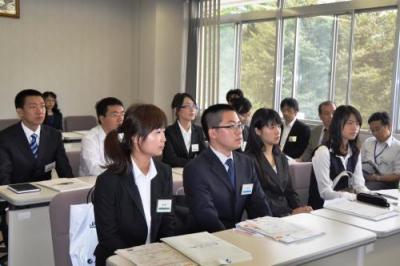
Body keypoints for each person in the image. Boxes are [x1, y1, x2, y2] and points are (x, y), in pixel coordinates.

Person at [93, 104, 175, 266]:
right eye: (157, 132)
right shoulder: (109, 181)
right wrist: (139, 259)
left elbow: (167, 218)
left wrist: (162, 254)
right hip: (120, 260)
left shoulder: (164, 172)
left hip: (156, 258)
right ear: (136, 138)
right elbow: (108, 237)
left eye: (163, 131)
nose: (164, 138)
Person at [183, 104, 271, 233]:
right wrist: (233, 240)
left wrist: (269, 230)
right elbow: (206, 218)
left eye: (239, 125)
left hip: (238, 235)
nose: (239, 131)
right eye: (231, 126)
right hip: (208, 240)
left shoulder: (246, 162)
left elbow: (259, 204)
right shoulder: (196, 169)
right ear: (213, 132)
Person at [246, 108, 312, 217]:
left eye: (278, 126)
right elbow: (257, 199)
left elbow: (290, 191)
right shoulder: (248, 160)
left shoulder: (281, 157)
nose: (277, 131)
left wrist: (299, 209)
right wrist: (290, 213)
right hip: (264, 217)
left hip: (286, 215)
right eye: (271, 127)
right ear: (257, 130)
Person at [0, 89, 73, 185]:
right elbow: (3, 177)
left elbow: (65, 171)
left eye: (42, 106)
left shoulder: (54, 135)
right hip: (16, 194)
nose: (40, 111)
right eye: (33, 107)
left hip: (46, 192)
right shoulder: (5, 138)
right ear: (20, 112)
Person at [308, 105, 369, 209]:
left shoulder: (355, 152)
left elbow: (359, 184)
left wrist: (371, 196)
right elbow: (325, 193)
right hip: (322, 209)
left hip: (346, 205)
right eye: (350, 123)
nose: (355, 128)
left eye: (358, 124)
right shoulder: (323, 152)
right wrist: (352, 196)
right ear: (337, 124)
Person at [79, 97, 124, 176]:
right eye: (115, 115)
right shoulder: (90, 139)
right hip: (95, 184)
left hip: (119, 180)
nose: (120, 119)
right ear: (102, 119)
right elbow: (94, 170)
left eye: (122, 114)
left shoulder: (123, 136)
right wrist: (122, 171)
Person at [162, 93, 206, 167]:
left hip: (194, 172)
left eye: (194, 106)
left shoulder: (198, 130)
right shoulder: (169, 132)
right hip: (174, 173)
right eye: (188, 106)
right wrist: (195, 163)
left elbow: (203, 154)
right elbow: (170, 159)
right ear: (177, 110)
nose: (192, 109)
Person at [361, 111, 400, 190]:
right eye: (372, 130)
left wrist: (377, 178)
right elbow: (358, 162)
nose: (375, 133)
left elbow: (398, 175)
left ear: (388, 126)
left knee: (363, 190)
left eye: (377, 129)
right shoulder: (368, 142)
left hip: (385, 183)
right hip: (365, 177)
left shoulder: (397, 147)